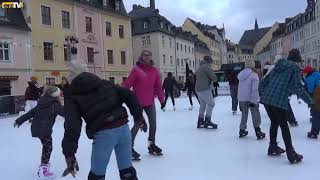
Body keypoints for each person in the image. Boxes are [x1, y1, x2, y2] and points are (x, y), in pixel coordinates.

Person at [62, 60, 147, 180]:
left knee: (97, 175)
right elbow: (128, 94)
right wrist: (138, 116)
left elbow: (72, 125)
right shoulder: (104, 83)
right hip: (123, 130)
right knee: (127, 172)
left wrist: (69, 153)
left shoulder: (72, 96)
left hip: (104, 135)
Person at [259, 49, 313, 164]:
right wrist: (310, 101)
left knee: (275, 122)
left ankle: (272, 146)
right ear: (297, 60)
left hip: (267, 99)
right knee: (284, 126)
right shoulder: (294, 68)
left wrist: (264, 94)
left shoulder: (276, 66)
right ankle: (291, 153)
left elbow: (263, 82)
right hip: (278, 100)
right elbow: (297, 87)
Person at [14, 85, 64, 179]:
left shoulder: (43, 101)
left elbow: (31, 112)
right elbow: (65, 113)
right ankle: (43, 170)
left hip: (37, 128)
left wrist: (19, 120)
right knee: (48, 147)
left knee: (47, 146)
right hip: (44, 129)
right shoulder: (54, 104)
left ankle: (44, 165)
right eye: (59, 93)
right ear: (55, 95)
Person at [123, 50, 165, 159]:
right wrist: (120, 94)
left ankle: (151, 145)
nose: (147, 57)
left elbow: (158, 87)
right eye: (145, 55)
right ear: (141, 57)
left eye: (149, 55)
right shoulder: (136, 70)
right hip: (138, 103)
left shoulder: (154, 70)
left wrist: (162, 100)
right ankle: (129, 147)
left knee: (153, 124)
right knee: (137, 124)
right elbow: (128, 83)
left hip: (150, 102)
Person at [237, 59, 265, 139]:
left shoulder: (241, 74)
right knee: (255, 114)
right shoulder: (254, 75)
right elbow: (255, 89)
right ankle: (258, 131)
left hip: (242, 98)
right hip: (250, 98)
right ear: (253, 65)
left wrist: (239, 99)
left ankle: (242, 130)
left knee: (244, 114)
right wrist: (253, 101)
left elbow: (240, 88)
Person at [195, 56, 218, 129]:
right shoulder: (206, 67)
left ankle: (200, 121)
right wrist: (215, 80)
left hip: (198, 89)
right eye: (211, 62)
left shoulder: (199, 68)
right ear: (208, 62)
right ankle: (207, 121)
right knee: (211, 104)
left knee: (203, 105)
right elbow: (213, 76)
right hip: (205, 89)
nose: (211, 64)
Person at [302, 66, 320, 138]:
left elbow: (310, 90)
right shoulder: (317, 74)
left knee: (316, 114)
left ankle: (314, 131)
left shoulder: (309, 78)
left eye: (304, 73)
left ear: (307, 73)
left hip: (317, 94)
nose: (304, 75)